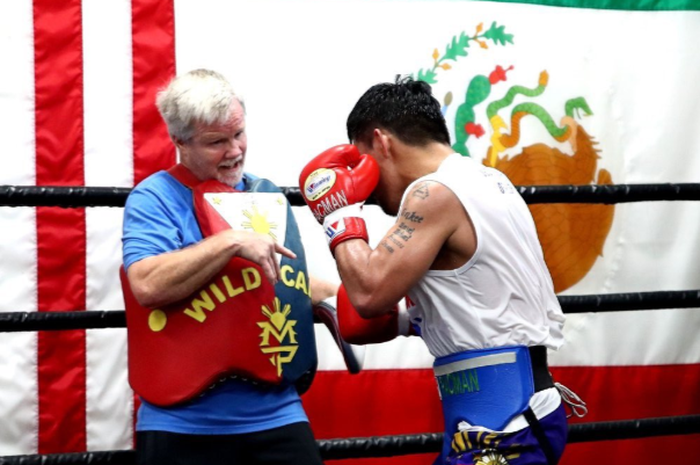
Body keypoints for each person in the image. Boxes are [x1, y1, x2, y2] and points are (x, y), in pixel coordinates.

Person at [299, 77, 584, 465]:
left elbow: (367, 294)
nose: (363, 188)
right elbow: (486, 293)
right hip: (498, 419)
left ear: (382, 143)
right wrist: (410, 317)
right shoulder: (489, 181)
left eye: (361, 160)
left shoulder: (433, 193)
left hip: (505, 425)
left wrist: (337, 212)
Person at [121, 68, 332, 465]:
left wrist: (357, 300)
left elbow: (285, 280)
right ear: (179, 141)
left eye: (238, 134)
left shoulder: (263, 196)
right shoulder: (155, 199)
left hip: (276, 411)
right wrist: (230, 241)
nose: (234, 151)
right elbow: (147, 285)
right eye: (216, 142)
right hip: (182, 421)